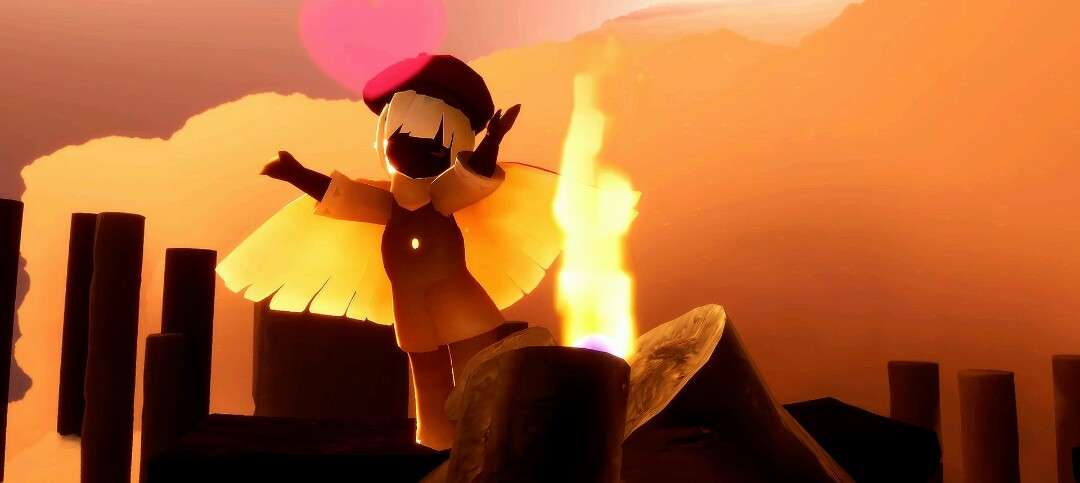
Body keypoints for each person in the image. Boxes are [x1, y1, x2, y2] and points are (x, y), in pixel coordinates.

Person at [217, 54, 565, 449]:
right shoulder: (388, 204)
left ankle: (481, 444)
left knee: (477, 374)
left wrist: (493, 141)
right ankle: (435, 445)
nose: (416, 147)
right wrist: (295, 173)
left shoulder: (442, 197)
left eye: (433, 140)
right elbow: (341, 196)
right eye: (403, 135)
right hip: (411, 308)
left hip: (457, 301)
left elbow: (474, 177)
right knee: (428, 382)